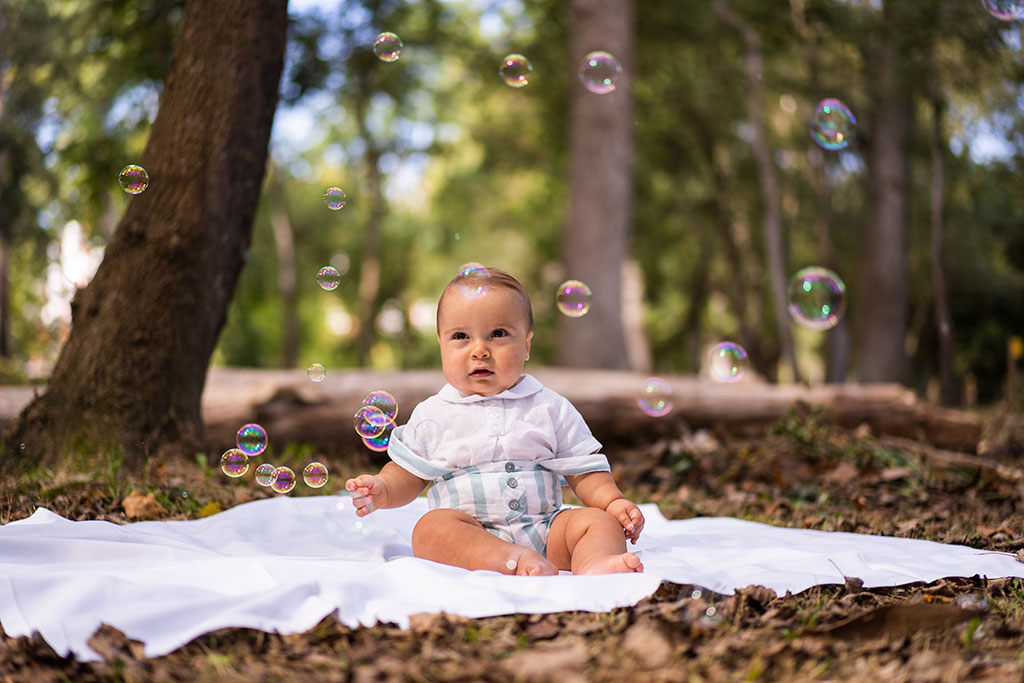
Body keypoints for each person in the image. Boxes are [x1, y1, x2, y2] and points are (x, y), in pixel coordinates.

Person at [344, 266, 645, 576]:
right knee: (430, 529)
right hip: (471, 535)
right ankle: (509, 561)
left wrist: (612, 502)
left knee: (597, 523)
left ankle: (595, 564)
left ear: (527, 344)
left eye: (498, 334)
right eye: (460, 336)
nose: (480, 350)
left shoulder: (549, 406)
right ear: (441, 346)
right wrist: (383, 487)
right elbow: (408, 474)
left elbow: (584, 469)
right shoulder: (434, 412)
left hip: (546, 530)